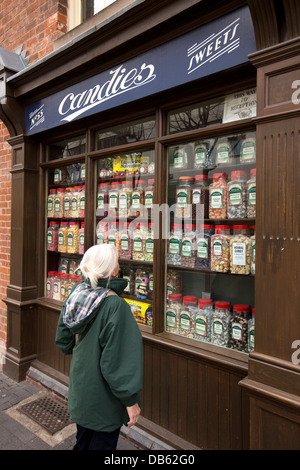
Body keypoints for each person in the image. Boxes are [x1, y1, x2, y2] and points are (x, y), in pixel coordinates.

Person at [55, 244, 143, 450]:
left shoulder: (77, 293)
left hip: (81, 389)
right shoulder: (115, 306)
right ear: (113, 271)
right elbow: (118, 362)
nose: (119, 266)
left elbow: (63, 341)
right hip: (105, 400)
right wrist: (131, 401)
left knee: (83, 442)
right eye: (117, 263)